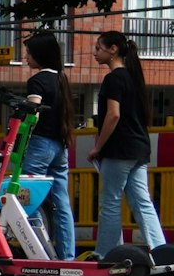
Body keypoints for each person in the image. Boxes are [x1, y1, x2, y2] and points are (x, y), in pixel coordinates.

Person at [87, 30, 166, 258]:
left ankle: (106, 253)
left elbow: (113, 115)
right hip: (139, 148)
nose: (95, 53)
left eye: (98, 48)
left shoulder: (113, 79)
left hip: (118, 149)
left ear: (113, 50)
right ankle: (161, 252)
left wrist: (98, 147)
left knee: (110, 201)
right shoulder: (133, 77)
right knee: (142, 202)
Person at [21, 30, 76, 258]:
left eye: (29, 53)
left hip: (39, 145)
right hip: (59, 146)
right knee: (62, 203)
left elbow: (33, 113)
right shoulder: (61, 79)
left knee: (29, 200)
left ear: (39, 55)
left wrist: (21, 134)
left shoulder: (37, 81)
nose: (26, 57)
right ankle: (67, 257)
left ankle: (39, 255)